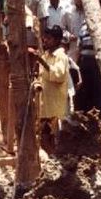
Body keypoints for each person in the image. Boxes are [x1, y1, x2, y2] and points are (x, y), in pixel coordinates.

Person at [32, 25, 70, 153]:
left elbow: (58, 75)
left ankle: (54, 157)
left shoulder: (61, 56)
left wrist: (41, 61)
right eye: (45, 38)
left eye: (49, 38)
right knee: (44, 134)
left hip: (54, 105)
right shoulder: (46, 55)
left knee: (50, 135)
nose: (45, 40)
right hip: (45, 102)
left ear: (57, 40)